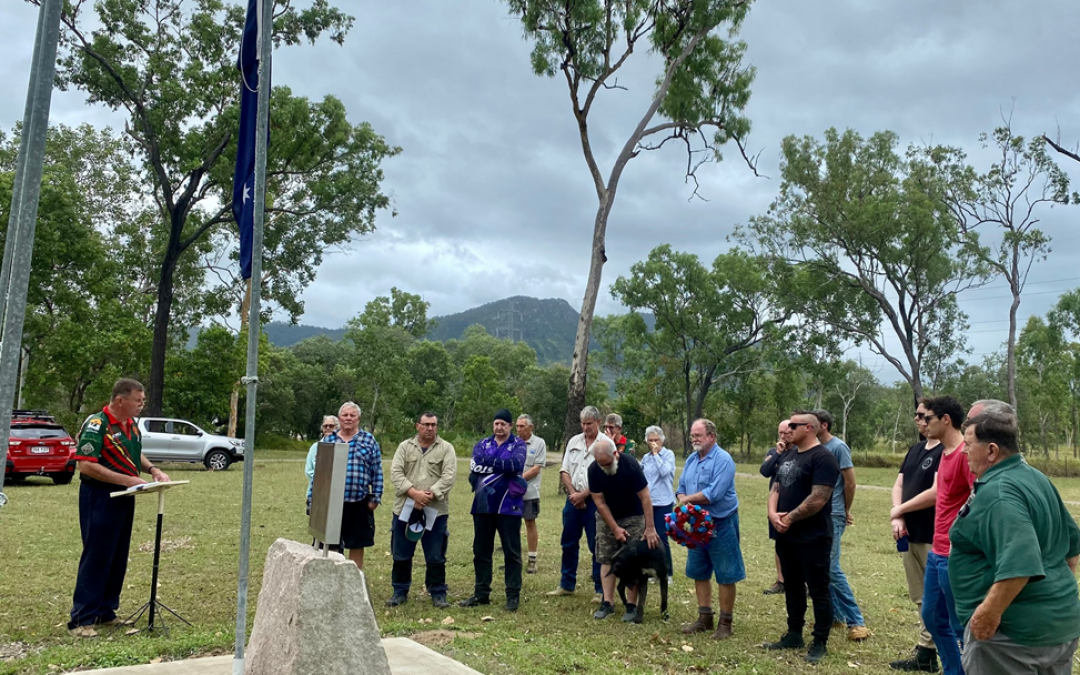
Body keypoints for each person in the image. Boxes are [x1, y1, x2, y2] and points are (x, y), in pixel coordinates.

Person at [950, 404, 1080, 675]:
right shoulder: (1036, 477)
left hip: (1011, 639)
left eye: (969, 444)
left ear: (992, 451)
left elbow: (1020, 564)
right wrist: (1049, 599)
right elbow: (1071, 551)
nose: (963, 451)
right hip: (1057, 626)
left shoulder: (999, 493)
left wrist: (987, 615)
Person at [68, 379, 171, 638]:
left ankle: (106, 611)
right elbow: (87, 465)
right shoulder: (97, 424)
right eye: (138, 400)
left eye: (143, 400)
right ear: (120, 400)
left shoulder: (130, 424)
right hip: (100, 495)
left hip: (127, 494)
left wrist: (152, 469)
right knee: (97, 555)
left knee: (117, 554)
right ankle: (82, 618)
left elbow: (135, 454)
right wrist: (128, 480)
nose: (142, 405)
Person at [765, 411, 840, 664]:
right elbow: (776, 486)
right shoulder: (787, 454)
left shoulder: (823, 458)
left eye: (793, 425)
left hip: (813, 536)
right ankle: (794, 634)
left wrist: (788, 518)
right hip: (786, 535)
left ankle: (819, 641)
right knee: (792, 586)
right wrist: (772, 514)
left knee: (818, 589)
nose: (788, 428)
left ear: (808, 428)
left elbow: (818, 498)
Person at [912, 396, 971, 675]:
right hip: (937, 551)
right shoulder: (944, 454)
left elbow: (981, 501)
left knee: (961, 625)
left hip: (954, 554)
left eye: (928, 418)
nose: (923, 422)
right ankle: (953, 670)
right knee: (933, 618)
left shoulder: (965, 455)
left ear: (945, 420)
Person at [888, 402, 944, 672]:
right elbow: (900, 483)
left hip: (933, 533)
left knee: (937, 595)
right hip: (907, 531)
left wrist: (899, 510)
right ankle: (926, 653)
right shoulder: (915, 449)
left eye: (923, 416)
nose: (918, 420)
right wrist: (898, 516)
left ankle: (935, 650)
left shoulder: (947, 451)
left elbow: (936, 492)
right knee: (920, 595)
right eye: (916, 416)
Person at [677, 419, 745, 639]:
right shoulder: (691, 459)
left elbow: (713, 494)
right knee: (699, 570)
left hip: (721, 522)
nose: (694, 439)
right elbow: (680, 487)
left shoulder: (724, 460)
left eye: (699, 435)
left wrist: (686, 500)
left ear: (711, 436)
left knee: (726, 574)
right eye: (692, 435)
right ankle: (704, 618)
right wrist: (682, 499)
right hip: (698, 524)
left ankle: (726, 622)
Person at [387, 412, 457, 608]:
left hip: (435, 509)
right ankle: (399, 591)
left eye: (434, 425)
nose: (430, 428)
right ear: (417, 426)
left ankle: (437, 592)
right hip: (405, 507)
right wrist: (413, 493)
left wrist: (429, 495)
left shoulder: (446, 449)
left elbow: (449, 476)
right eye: (426, 424)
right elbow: (396, 472)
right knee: (401, 551)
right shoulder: (404, 447)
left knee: (435, 554)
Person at [460, 408, 527, 611]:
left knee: (511, 552)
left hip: (509, 505)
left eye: (503, 424)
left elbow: (516, 464)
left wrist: (489, 463)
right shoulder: (482, 444)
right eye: (496, 423)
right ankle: (481, 594)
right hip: (483, 505)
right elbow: (474, 466)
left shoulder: (518, 444)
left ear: (510, 426)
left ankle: (512, 595)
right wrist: (501, 467)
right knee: (481, 551)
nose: (499, 427)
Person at [812, 409, 869, 641]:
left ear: (824, 425)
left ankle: (857, 621)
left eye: (811, 424)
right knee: (822, 566)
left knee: (832, 568)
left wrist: (845, 510)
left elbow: (850, 482)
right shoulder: (813, 448)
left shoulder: (838, 447)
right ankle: (835, 616)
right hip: (817, 513)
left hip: (834, 513)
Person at [589, 437, 661, 621]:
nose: (604, 467)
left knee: (633, 559)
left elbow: (645, 497)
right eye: (600, 464)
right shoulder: (594, 469)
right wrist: (614, 528)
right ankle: (608, 602)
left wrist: (650, 528)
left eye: (607, 463)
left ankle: (631, 605)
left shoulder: (630, 466)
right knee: (606, 557)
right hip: (607, 516)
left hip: (633, 515)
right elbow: (599, 502)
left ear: (616, 454)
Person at [546, 406, 606, 602]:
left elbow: (608, 475)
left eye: (589, 423)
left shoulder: (606, 443)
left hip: (596, 502)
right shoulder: (574, 441)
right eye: (583, 423)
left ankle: (600, 588)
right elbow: (564, 470)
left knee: (596, 544)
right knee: (568, 542)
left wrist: (584, 495)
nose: (585, 427)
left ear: (598, 421)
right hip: (572, 501)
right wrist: (574, 494)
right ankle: (566, 584)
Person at [323, 401, 383, 571]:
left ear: (358, 418)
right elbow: (321, 473)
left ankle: (354, 580)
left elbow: (376, 470)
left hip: (359, 501)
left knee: (357, 544)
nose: (348, 418)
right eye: (345, 415)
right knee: (331, 544)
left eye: (352, 415)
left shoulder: (368, 440)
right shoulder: (329, 440)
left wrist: (375, 498)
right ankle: (332, 578)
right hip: (333, 501)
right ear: (339, 418)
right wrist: (314, 499)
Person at [759, 419, 793, 595]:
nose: (783, 436)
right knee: (779, 544)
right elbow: (765, 471)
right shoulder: (774, 452)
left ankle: (801, 582)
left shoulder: (799, 452)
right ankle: (781, 581)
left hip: (794, 505)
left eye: (786, 432)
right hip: (776, 505)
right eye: (780, 432)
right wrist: (778, 454)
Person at [640, 425, 675, 582]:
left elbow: (665, 471)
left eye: (656, 440)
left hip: (664, 501)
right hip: (648, 502)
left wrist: (656, 454)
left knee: (661, 537)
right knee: (648, 537)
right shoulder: (646, 458)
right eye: (650, 440)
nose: (653, 443)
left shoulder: (668, 455)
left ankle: (667, 573)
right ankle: (653, 571)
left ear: (662, 440)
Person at [305, 414, 342, 554]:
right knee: (317, 532)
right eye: (325, 426)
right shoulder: (315, 447)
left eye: (331, 426)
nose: (328, 428)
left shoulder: (341, 446)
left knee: (334, 536)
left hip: (336, 496)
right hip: (317, 494)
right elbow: (308, 470)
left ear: (337, 428)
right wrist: (325, 480)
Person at [516, 414, 547, 575]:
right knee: (512, 525)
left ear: (530, 427)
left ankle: (532, 560)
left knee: (530, 523)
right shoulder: (512, 443)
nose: (519, 429)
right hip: (511, 493)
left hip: (530, 491)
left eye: (522, 426)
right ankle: (514, 560)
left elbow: (536, 468)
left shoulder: (539, 443)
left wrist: (518, 480)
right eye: (517, 426)